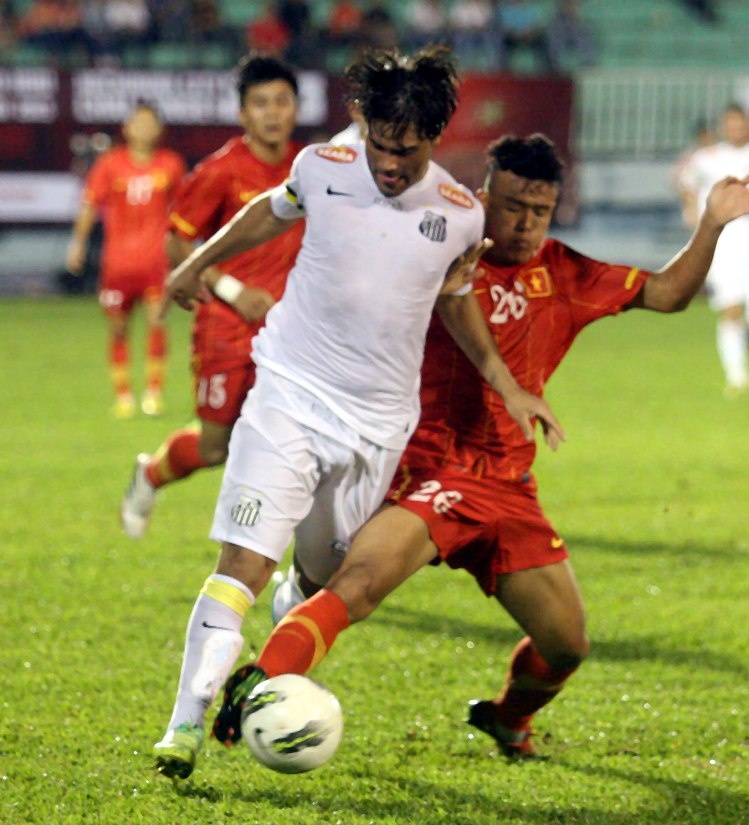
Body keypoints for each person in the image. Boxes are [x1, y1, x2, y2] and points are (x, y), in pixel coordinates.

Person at [230, 134, 749, 760]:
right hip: (429, 467)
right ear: (484, 198)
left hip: (508, 485)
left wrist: (711, 224)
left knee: (566, 644)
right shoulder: (438, 257)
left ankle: (508, 719)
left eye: (540, 210)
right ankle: (259, 683)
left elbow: (668, 293)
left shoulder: (564, 273)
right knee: (360, 585)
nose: (526, 223)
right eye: (513, 206)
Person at [152, 46, 562, 780]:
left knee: (320, 581)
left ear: (434, 138)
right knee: (241, 562)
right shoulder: (321, 167)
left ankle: (294, 599)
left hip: (375, 428)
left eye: (407, 151)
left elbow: (455, 300)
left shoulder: (459, 215)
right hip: (287, 394)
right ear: (363, 125)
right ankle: (184, 725)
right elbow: (266, 212)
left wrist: (506, 383)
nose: (391, 165)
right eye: (380, 144)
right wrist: (196, 263)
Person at [119, 54, 303, 539]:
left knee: (300, 443)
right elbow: (178, 242)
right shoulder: (221, 170)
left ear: (296, 108)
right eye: (260, 103)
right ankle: (149, 474)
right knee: (214, 447)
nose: (272, 113)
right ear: (242, 113)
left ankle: (301, 563)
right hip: (227, 327)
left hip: (293, 334)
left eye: (281, 101)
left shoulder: (309, 169)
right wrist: (234, 290)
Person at [66, 102, 185, 418]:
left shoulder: (171, 164)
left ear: (159, 129)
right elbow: (90, 205)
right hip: (117, 264)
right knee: (118, 328)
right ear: (127, 128)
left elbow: (184, 211)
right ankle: (123, 395)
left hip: (156, 261)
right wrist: (77, 244)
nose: (144, 128)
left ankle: (153, 393)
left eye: (150, 123)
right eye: (139, 122)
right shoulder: (110, 164)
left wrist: (185, 250)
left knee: (157, 320)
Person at [678, 102, 749, 395]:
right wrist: (691, 210)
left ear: (748, 126)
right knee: (730, 307)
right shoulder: (707, 157)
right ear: (723, 127)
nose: (735, 129)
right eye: (730, 124)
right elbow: (686, 182)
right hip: (723, 240)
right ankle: (737, 378)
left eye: (740, 123)